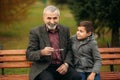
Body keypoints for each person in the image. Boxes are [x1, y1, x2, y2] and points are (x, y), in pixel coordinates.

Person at [26, 5, 81, 80]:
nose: (52, 21)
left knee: (77, 77)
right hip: (44, 68)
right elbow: (29, 54)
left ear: (59, 18)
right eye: (49, 18)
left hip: (62, 66)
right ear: (43, 18)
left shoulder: (65, 29)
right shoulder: (35, 32)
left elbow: (69, 50)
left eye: (55, 18)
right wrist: (42, 52)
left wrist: (66, 64)